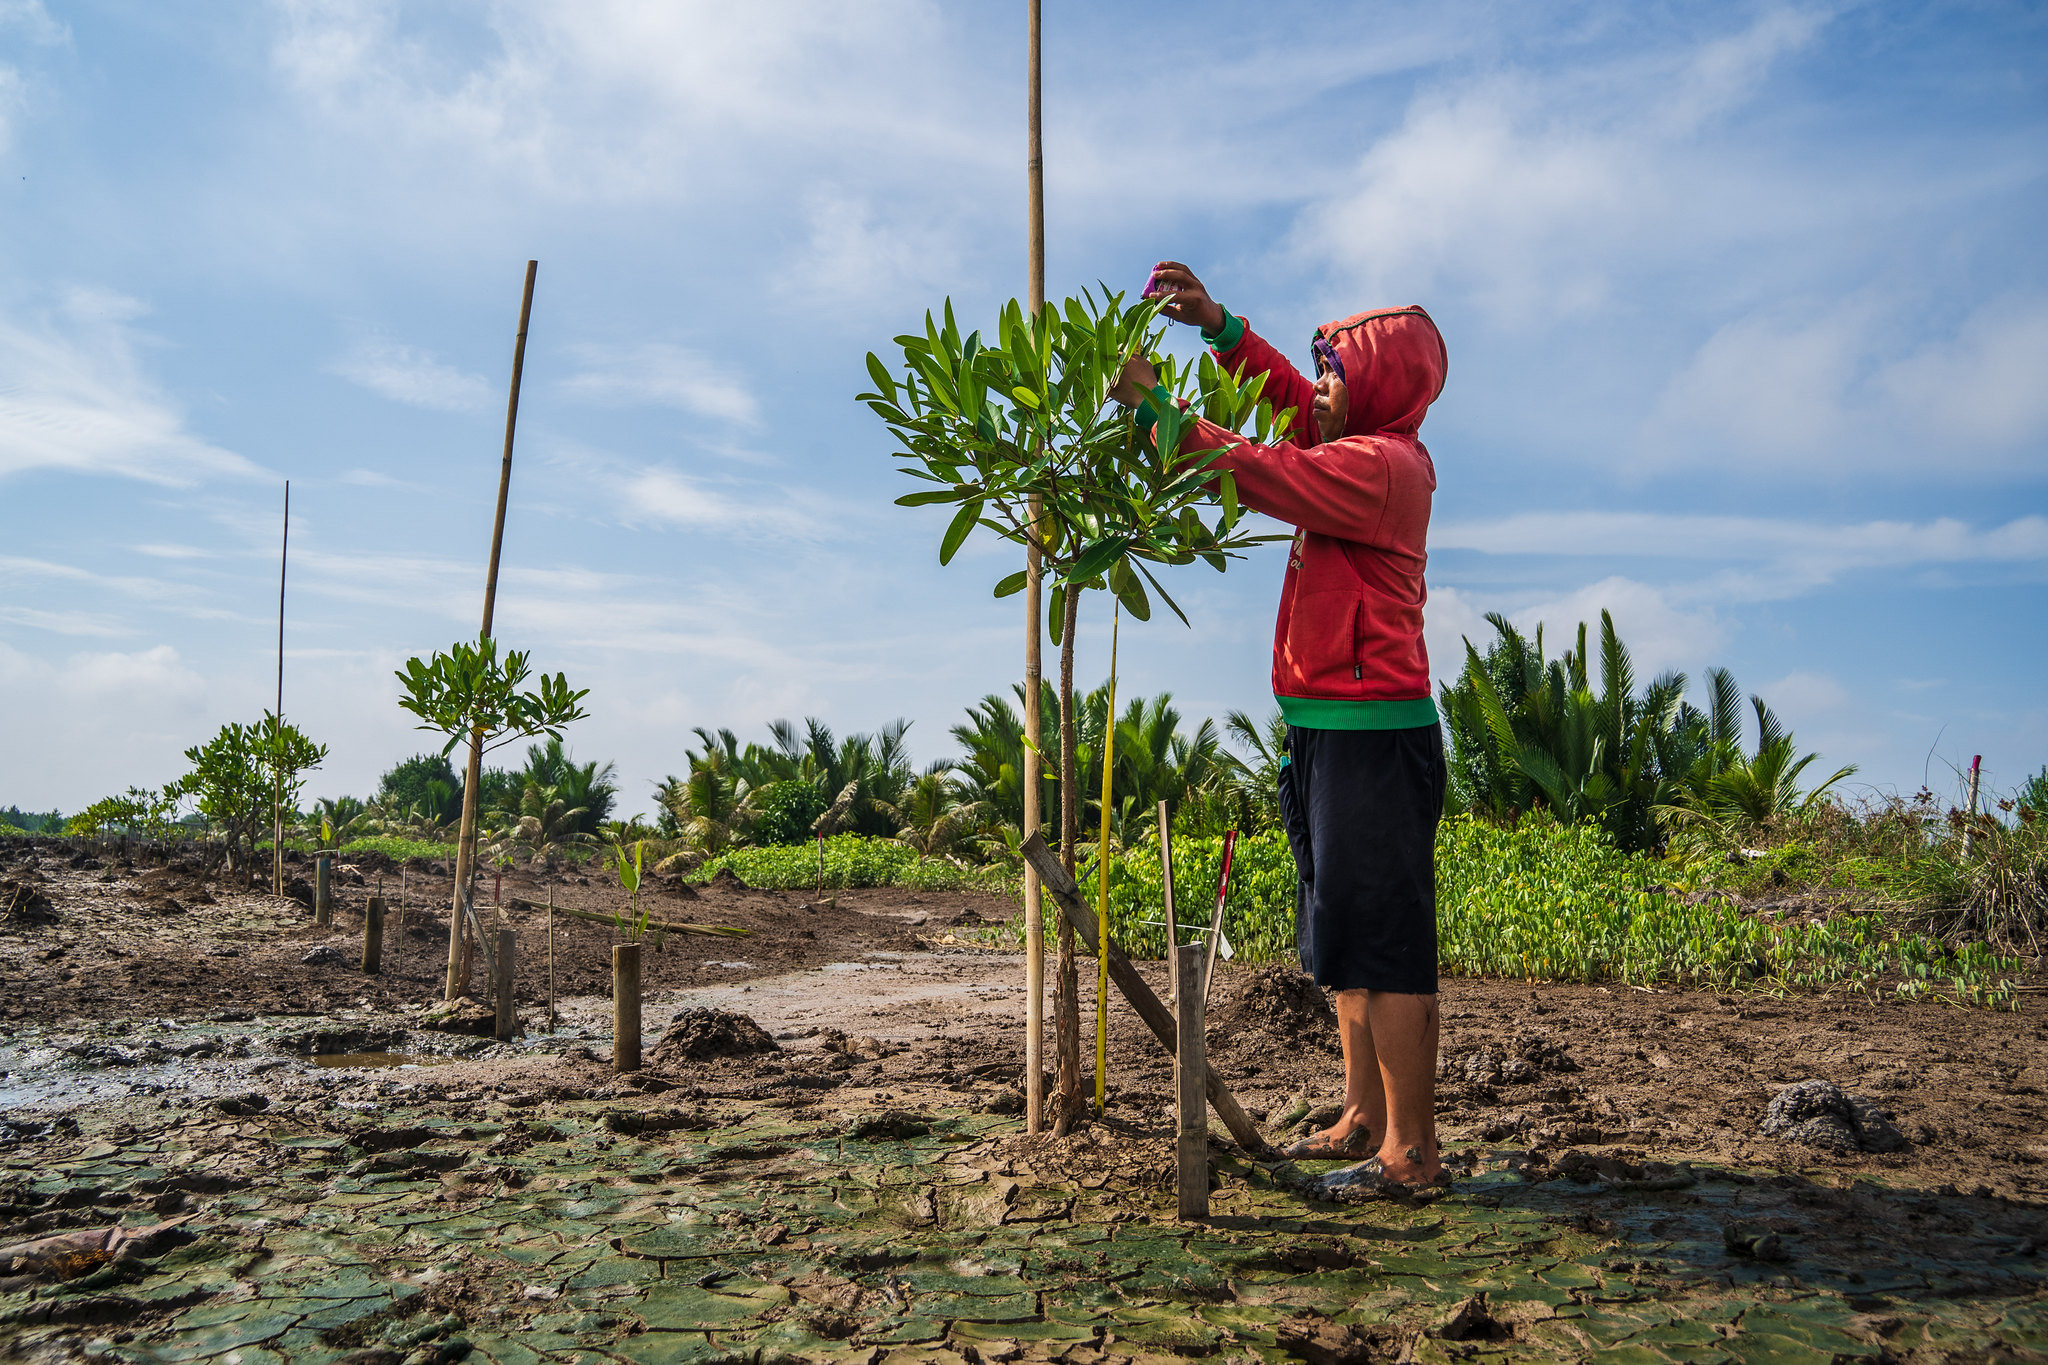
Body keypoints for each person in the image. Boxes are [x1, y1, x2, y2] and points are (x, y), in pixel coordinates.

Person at [1110, 262, 1449, 1190]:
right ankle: (1361, 1112)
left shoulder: (1383, 466)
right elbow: (1292, 406)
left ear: (1381, 389)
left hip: (1373, 735)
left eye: (1339, 372)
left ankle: (1410, 1152)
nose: (1323, 387)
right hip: (1325, 725)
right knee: (1338, 933)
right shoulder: (1357, 434)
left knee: (1384, 943)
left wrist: (1156, 416)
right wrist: (1220, 327)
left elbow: (1264, 469)